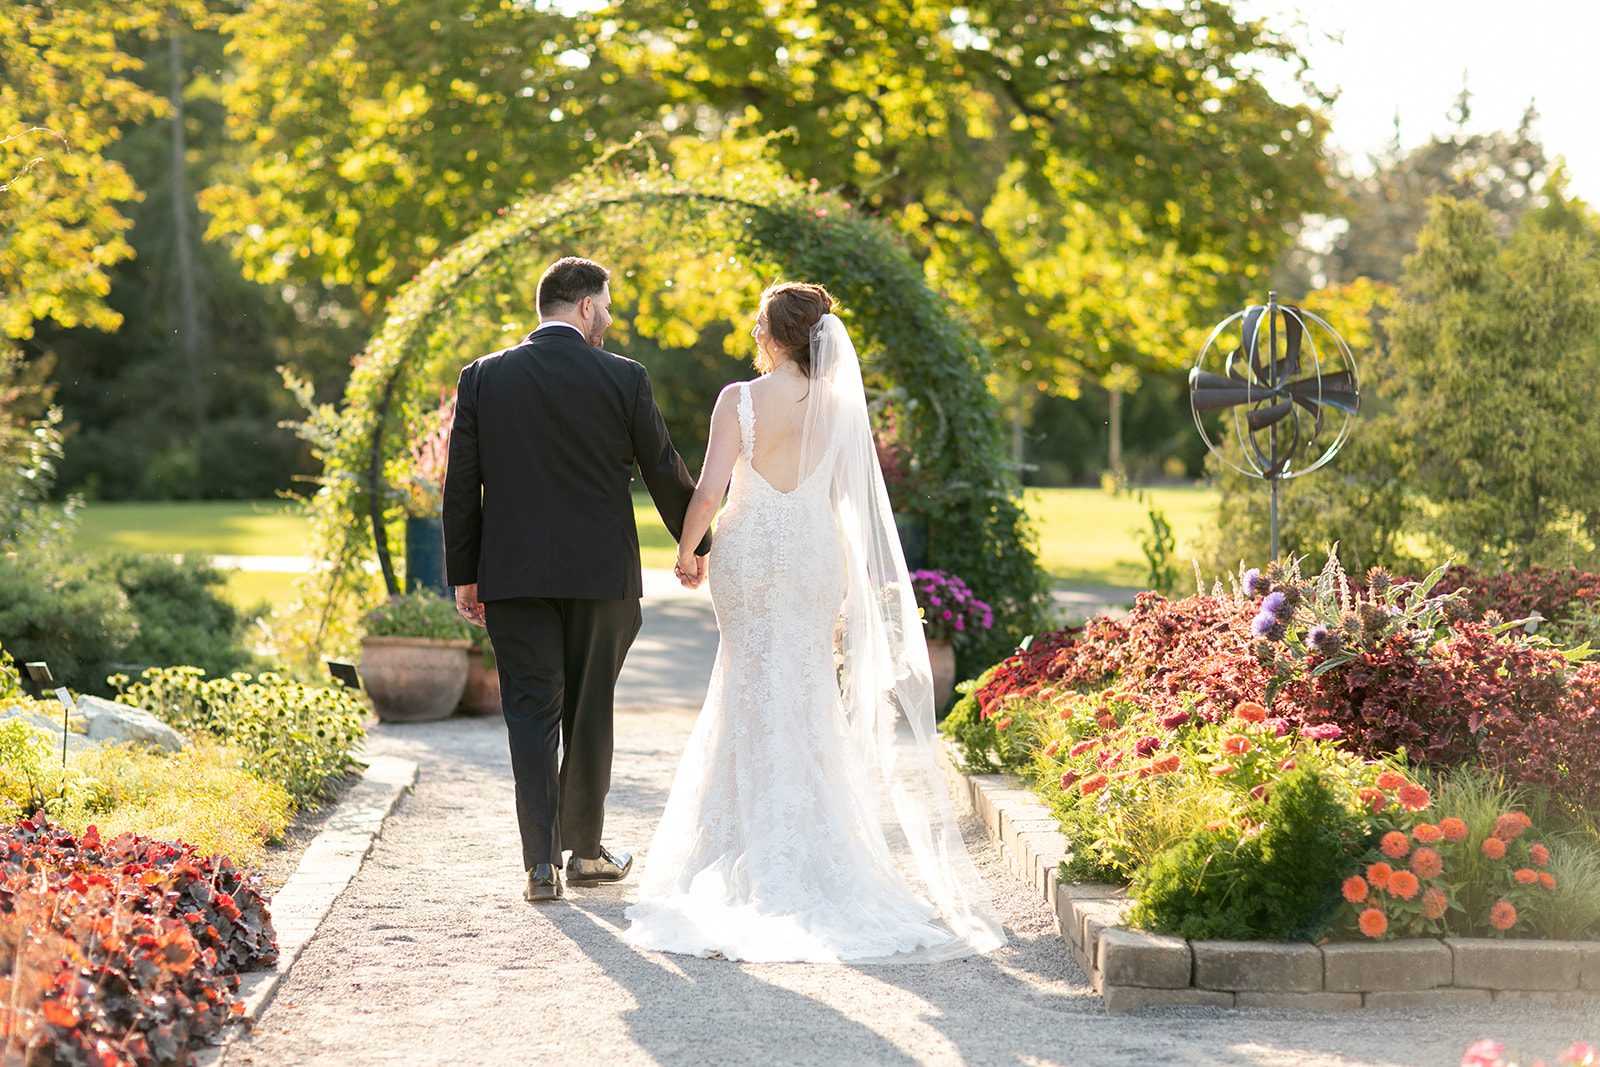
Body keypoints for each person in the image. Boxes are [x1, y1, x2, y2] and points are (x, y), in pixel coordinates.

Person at [621, 283, 1005, 962]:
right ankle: (812, 842)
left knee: (745, 681)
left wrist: (687, 551)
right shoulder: (840, 408)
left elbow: (709, 489)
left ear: (773, 335)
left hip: (748, 554)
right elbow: (853, 505)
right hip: (812, 557)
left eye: (758, 326)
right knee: (803, 687)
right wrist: (854, 588)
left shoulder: (739, 399)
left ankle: (738, 846)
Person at [442, 256, 709, 903]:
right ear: (586, 306)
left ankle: (540, 864)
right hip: (601, 575)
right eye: (608, 306)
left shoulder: (483, 377)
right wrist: (699, 543)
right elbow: (664, 468)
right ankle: (585, 852)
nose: (610, 318)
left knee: (530, 711)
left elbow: (461, 486)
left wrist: (465, 575)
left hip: (513, 573)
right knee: (590, 710)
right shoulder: (623, 377)